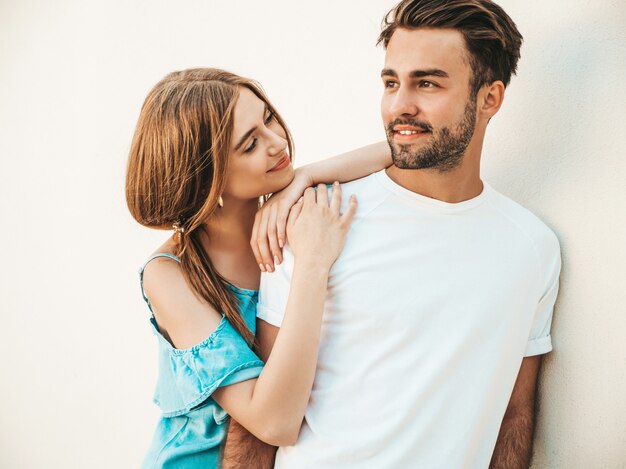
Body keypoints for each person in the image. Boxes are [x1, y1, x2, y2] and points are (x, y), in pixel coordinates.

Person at [227, 1, 562, 468]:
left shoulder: (533, 249)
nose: (400, 105)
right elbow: (257, 429)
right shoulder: (316, 219)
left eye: (427, 83)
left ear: (490, 98)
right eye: (391, 82)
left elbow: (514, 414)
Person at [125, 68, 391, 468]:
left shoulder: (289, 209)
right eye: (249, 145)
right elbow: (275, 421)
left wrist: (307, 175)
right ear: (205, 175)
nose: (276, 142)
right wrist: (312, 265)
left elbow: (403, 152)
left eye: (268, 118)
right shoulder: (168, 275)